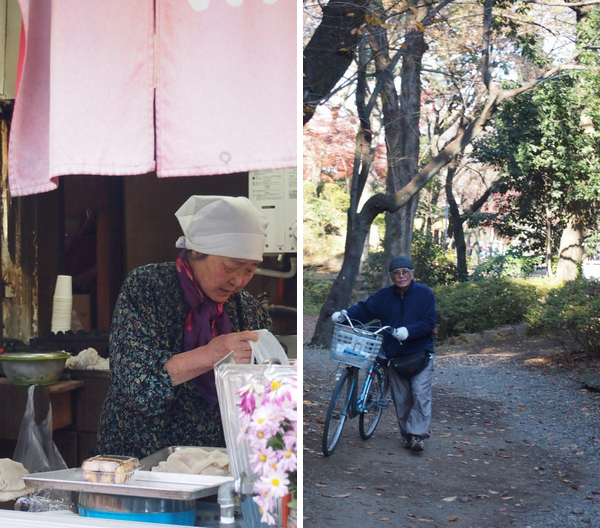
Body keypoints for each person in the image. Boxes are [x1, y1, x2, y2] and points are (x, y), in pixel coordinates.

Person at [96, 195, 273, 459]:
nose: (238, 281)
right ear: (197, 251)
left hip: (218, 459)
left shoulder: (247, 309)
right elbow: (138, 384)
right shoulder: (148, 288)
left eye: (249, 270)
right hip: (139, 453)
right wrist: (214, 354)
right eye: (231, 266)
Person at [332, 255, 436, 452]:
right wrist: (345, 315)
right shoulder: (384, 296)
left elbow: (429, 322)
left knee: (420, 393)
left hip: (420, 354)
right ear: (391, 276)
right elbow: (364, 309)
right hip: (395, 356)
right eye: (396, 273)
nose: (401, 276)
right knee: (401, 397)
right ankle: (407, 434)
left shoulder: (424, 294)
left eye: (405, 271)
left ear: (412, 274)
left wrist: (408, 331)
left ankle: (418, 435)